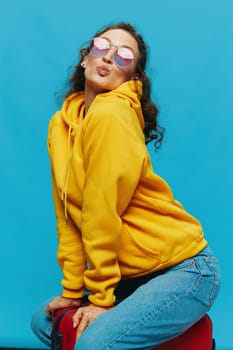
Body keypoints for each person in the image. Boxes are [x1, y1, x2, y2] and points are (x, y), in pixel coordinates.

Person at [31, 22, 220, 350]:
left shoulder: (112, 113)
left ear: (132, 79)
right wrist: (73, 291)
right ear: (85, 57)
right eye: (102, 47)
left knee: (93, 344)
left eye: (123, 57)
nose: (108, 58)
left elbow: (101, 213)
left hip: (187, 270)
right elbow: (69, 217)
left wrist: (102, 299)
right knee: (44, 321)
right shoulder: (61, 125)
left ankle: (186, 333)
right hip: (136, 277)